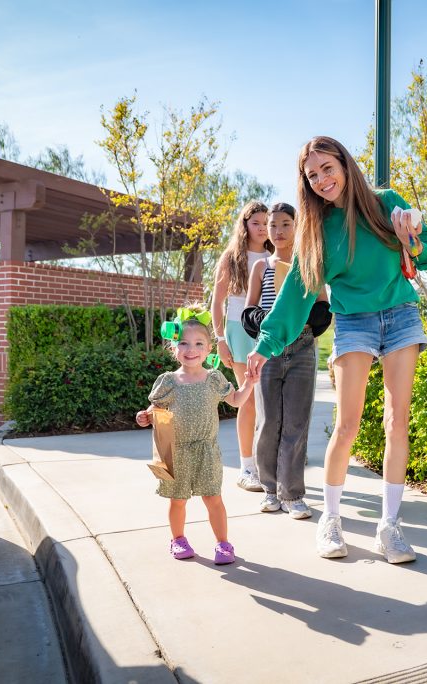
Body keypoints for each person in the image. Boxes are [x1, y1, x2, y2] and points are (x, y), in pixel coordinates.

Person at [246, 136, 427, 564]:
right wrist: (266, 344)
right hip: (355, 322)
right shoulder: (317, 230)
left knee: (396, 421)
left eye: (327, 168)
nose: (322, 180)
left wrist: (414, 239)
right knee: (348, 424)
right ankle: (330, 521)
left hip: (401, 315)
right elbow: (296, 292)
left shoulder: (386, 203)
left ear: (345, 165)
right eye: (312, 175)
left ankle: (390, 527)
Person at [136, 305, 255, 564]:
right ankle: (178, 539)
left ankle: (223, 544)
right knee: (177, 500)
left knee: (213, 497)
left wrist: (249, 384)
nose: (191, 349)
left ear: (208, 348)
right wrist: (144, 417)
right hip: (175, 452)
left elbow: (235, 400)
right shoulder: (168, 380)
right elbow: (155, 408)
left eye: (199, 343)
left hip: (206, 450)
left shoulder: (213, 379)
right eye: (184, 343)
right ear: (173, 347)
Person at [243, 202, 329, 519]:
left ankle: (292, 494)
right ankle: (269, 490)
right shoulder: (261, 267)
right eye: (272, 225)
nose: (277, 231)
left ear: (297, 227)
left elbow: (323, 306)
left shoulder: (309, 265)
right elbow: (249, 309)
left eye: (285, 224)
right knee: (268, 422)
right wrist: (267, 322)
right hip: (268, 350)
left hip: (304, 347)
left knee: (296, 422)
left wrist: (306, 319)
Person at [211, 201, 272, 492]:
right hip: (238, 331)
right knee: (247, 399)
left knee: (269, 402)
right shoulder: (232, 257)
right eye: (256, 222)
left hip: (270, 332)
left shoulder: (276, 255)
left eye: (266, 222)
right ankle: (247, 467)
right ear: (245, 224)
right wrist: (220, 339)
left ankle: (267, 465)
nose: (262, 228)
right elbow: (217, 301)